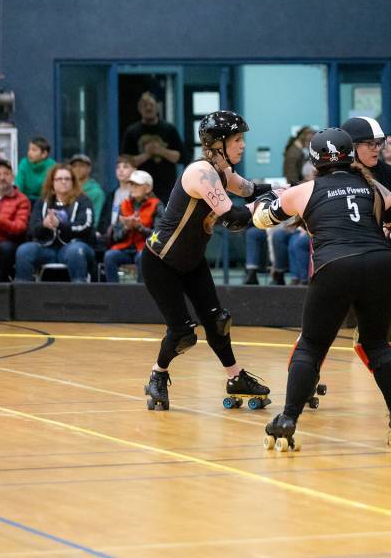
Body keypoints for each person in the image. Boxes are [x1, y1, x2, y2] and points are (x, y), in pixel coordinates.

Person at [251, 127, 391, 450]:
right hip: (381, 263)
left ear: (315, 159)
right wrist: (387, 235)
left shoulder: (304, 190)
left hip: (336, 265)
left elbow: (262, 221)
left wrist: (266, 198)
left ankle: (287, 419)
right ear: (350, 154)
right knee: (377, 344)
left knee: (312, 346)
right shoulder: (374, 187)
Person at [141, 111, 271, 411]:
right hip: (161, 263)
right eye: (237, 140)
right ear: (217, 144)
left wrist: (292, 191)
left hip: (191, 261)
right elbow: (236, 219)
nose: (242, 146)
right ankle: (157, 375)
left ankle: (235, 377)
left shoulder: (222, 173)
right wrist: (274, 206)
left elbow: (252, 190)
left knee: (217, 321)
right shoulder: (200, 174)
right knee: (183, 334)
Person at [340, 116, 391, 401]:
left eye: (378, 143)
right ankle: (309, 376)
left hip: (380, 255)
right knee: (323, 323)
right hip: (341, 256)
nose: (376, 149)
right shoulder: (336, 173)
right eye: (368, 144)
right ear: (351, 146)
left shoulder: (390, 175)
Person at [14, 164, 96, 282]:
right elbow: (32, 229)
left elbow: (85, 227)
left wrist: (60, 225)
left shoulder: (83, 201)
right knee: (24, 250)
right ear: (52, 182)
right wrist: (44, 225)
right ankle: (22, 292)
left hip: (74, 246)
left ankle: (79, 292)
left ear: (73, 182)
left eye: (67, 179)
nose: (63, 182)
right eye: (59, 179)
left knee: (75, 251)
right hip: (46, 247)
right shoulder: (43, 202)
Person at [121, 91, 185, 203]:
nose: (148, 108)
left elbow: (182, 157)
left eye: (151, 105)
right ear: (139, 108)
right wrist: (147, 154)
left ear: (158, 107)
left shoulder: (169, 129)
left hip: (167, 189)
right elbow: (126, 162)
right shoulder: (132, 132)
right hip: (139, 189)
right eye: (144, 105)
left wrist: (160, 150)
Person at [104, 170, 163, 283]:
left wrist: (139, 227)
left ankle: (141, 293)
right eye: (131, 184)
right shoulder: (124, 204)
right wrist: (127, 227)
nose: (133, 187)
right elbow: (116, 237)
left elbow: (159, 237)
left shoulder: (157, 205)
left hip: (145, 248)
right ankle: (113, 293)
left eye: (137, 184)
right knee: (109, 256)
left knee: (142, 256)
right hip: (124, 248)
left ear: (148, 188)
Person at [97, 155, 136, 246]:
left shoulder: (137, 195)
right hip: (111, 240)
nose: (121, 170)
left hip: (131, 239)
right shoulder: (111, 195)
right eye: (118, 167)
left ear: (134, 170)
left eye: (125, 167)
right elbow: (103, 222)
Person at [14, 137, 56, 202]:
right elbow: (19, 185)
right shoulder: (24, 163)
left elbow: (52, 189)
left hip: (46, 200)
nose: (29, 153)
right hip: (26, 200)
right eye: (29, 149)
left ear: (44, 154)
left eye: (34, 150)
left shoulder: (52, 165)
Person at [69, 154, 105, 227]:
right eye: (74, 166)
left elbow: (96, 219)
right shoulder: (66, 188)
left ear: (89, 169)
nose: (77, 169)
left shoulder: (96, 192)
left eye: (81, 166)